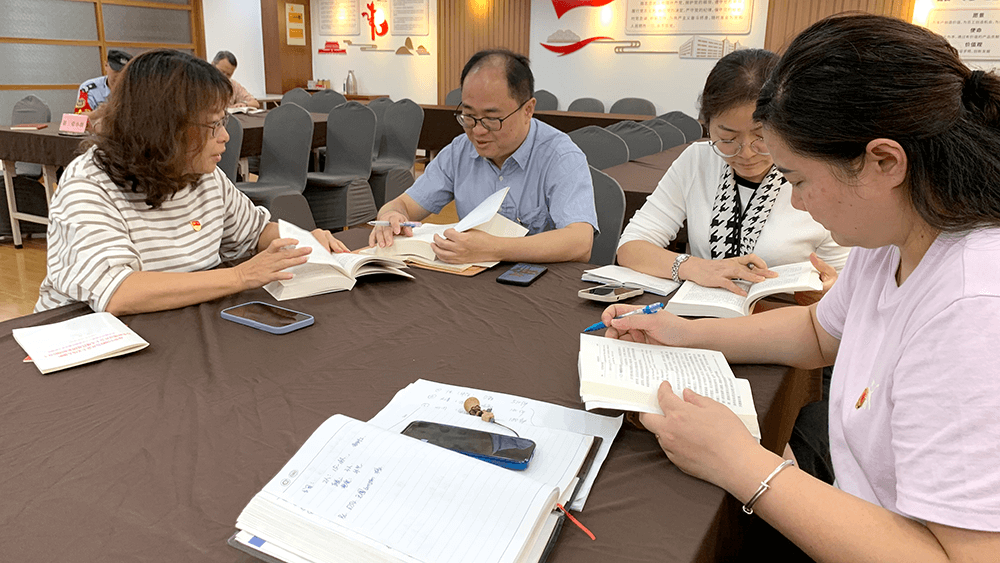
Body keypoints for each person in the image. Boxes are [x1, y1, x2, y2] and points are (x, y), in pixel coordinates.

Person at [601, 14, 1000, 561]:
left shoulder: (973, 308)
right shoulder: (895, 238)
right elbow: (818, 331)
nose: (795, 201)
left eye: (799, 180)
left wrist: (742, 462)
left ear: (884, 162)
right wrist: (680, 330)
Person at [36, 49, 347, 315]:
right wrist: (240, 276)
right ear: (163, 128)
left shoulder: (202, 174)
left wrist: (304, 242)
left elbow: (255, 231)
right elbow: (120, 292)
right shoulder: (89, 184)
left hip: (176, 322)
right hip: (87, 341)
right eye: (213, 124)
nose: (225, 137)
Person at [616, 49, 849, 298]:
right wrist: (694, 267)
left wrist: (830, 291)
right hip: (700, 315)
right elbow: (631, 247)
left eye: (761, 136)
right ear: (707, 125)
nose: (746, 153)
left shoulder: (819, 173)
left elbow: (847, 278)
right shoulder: (698, 161)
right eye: (727, 139)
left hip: (782, 320)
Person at [369, 50, 598, 264]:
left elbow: (580, 242)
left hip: (538, 287)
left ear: (527, 110)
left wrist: (494, 248)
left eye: (492, 119)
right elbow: (404, 205)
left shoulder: (559, 156)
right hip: (471, 282)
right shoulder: (460, 151)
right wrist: (391, 215)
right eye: (469, 116)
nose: (477, 131)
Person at [74, 49, 133, 114]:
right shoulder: (87, 87)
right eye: (116, 70)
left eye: (124, 72)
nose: (119, 75)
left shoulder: (136, 87)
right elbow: (80, 116)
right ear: (106, 66)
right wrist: (99, 113)